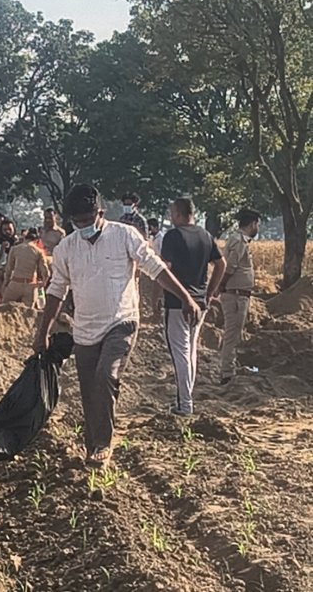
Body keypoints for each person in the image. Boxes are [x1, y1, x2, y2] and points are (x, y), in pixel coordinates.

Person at [32, 184, 200, 469]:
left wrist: (185, 298)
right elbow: (56, 291)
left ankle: (103, 444)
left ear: (100, 213)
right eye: (77, 222)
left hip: (122, 321)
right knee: (89, 390)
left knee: (105, 375)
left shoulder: (124, 235)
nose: (83, 226)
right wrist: (43, 332)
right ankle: (93, 447)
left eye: (87, 220)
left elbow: (156, 268)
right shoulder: (66, 248)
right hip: (84, 330)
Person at [160, 198, 226, 416]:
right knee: (191, 351)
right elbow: (221, 264)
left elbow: (164, 268)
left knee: (180, 352)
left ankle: (185, 404)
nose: (171, 217)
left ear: (179, 214)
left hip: (177, 302)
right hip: (200, 302)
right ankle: (186, 400)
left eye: (172, 213)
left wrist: (157, 295)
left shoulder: (172, 236)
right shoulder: (205, 235)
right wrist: (210, 293)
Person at [218, 208, 260, 384]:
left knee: (235, 334)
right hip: (235, 296)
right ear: (252, 224)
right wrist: (220, 285)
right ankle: (227, 373)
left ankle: (230, 367)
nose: (258, 228)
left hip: (238, 295)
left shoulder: (240, 240)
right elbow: (230, 267)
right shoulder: (239, 241)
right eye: (257, 224)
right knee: (232, 335)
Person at [3, 228, 49, 307]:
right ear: (36, 240)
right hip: (30, 285)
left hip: (15, 283)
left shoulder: (15, 249)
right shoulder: (38, 251)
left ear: (25, 238)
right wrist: (43, 283)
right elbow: (46, 272)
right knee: (28, 312)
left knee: (4, 308)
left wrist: (6, 283)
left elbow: (8, 269)